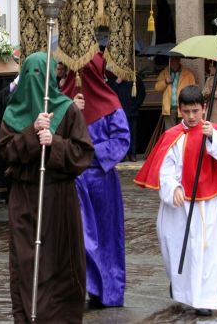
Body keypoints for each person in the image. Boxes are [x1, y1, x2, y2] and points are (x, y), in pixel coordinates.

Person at [0, 52, 94, 323]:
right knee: (27, 260)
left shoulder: (68, 109)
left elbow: (83, 153)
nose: (35, 81)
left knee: (58, 259)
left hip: (57, 196)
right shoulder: (12, 112)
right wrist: (31, 132)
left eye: (40, 74)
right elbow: (5, 151)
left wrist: (55, 142)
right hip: (25, 196)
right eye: (30, 74)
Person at [134, 85, 217, 317]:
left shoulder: (213, 131)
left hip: (206, 204)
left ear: (204, 108)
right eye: (187, 112)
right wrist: (172, 186)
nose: (192, 116)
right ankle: (181, 288)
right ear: (180, 111)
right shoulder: (172, 136)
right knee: (175, 248)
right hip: (178, 204)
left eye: (196, 111)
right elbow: (166, 168)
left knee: (205, 250)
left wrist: (213, 138)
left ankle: (204, 298)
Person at [72, 52, 130, 308]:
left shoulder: (111, 104)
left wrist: (88, 152)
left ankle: (106, 290)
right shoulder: (66, 100)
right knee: (79, 236)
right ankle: (83, 286)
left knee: (105, 236)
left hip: (101, 181)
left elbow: (121, 141)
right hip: (72, 179)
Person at [107, 71, 146, 162]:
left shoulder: (135, 79)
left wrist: (136, 106)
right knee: (119, 133)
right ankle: (121, 154)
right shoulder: (113, 79)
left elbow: (142, 93)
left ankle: (132, 154)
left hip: (132, 112)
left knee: (132, 133)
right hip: (118, 112)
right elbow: (109, 92)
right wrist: (117, 82)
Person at [155, 56, 197, 129]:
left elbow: (193, 90)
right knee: (170, 133)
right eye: (171, 59)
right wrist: (165, 81)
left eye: (175, 59)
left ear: (179, 60)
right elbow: (157, 88)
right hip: (169, 109)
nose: (172, 62)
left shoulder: (188, 73)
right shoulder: (164, 73)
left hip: (184, 108)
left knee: (184, 131)